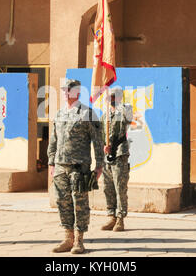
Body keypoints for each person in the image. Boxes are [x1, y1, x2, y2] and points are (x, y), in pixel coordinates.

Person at [48, 79, 104, 254]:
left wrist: (99, 165)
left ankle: (79, 240)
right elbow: (54, 140)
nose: (65, 92)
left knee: (79, 203)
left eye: (69, 89)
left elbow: (98, 141)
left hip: (80, 167)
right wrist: (51, 162)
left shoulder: (88, 113)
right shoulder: (59, 114)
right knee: (62, 202)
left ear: (77, 92)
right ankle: (68, 237)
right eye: (64, 89)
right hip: (60, 166)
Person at [100, 86, 133, 232]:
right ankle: (111, 216)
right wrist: (103, 147)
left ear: (119, 97)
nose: (110, 100)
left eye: (113, 97)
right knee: (108, 188)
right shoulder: (104, 116)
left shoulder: (124, 110)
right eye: (109, 97)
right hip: (107, 156)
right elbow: (101, 134)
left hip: (120, 154)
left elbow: (129, 116)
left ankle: (120, 218)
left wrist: (118, 104)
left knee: (120, 187)